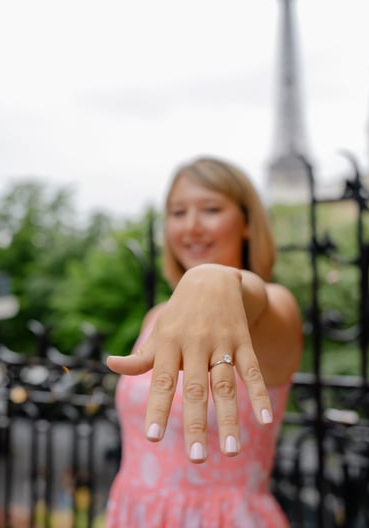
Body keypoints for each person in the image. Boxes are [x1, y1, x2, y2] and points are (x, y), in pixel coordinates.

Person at [106, 156, 302, 527]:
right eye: (178, 212)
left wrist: (216, 278)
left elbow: (258, 299)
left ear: (247, 223)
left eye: (211, 209)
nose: (191, 226)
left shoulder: (276, 308)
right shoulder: (156, 318)